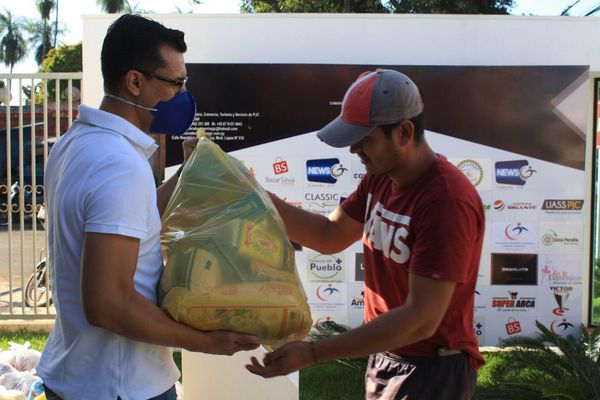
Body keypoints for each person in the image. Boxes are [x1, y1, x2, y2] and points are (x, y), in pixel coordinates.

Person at [37, 14, 259, 400]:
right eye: (175, 84)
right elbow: (107, 304)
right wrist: (204, 342)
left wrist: (185, 175)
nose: (183, 96)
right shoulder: (119, 164)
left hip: (77, 376)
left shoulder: (74, 145)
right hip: (120, 386)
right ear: (135, 82)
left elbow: (131, 219)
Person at [246, 69, 485, 399]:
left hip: (432, 371)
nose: (353, 150)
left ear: (403, 132)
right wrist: (254, 196)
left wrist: (314, 353)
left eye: (364, 140)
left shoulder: (446, 201)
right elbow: (329, 234)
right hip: (390, 355)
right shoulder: (381, 176)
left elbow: (421, 319)